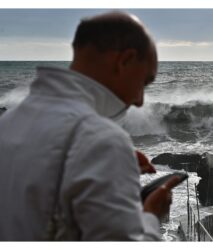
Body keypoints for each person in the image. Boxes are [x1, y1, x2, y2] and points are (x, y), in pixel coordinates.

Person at [0, 11, 181, 241]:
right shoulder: (100, 140)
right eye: (144, 81)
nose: (140, 100)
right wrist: (151, 218)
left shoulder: (8, 123)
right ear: (124, 61)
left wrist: (106, 168)